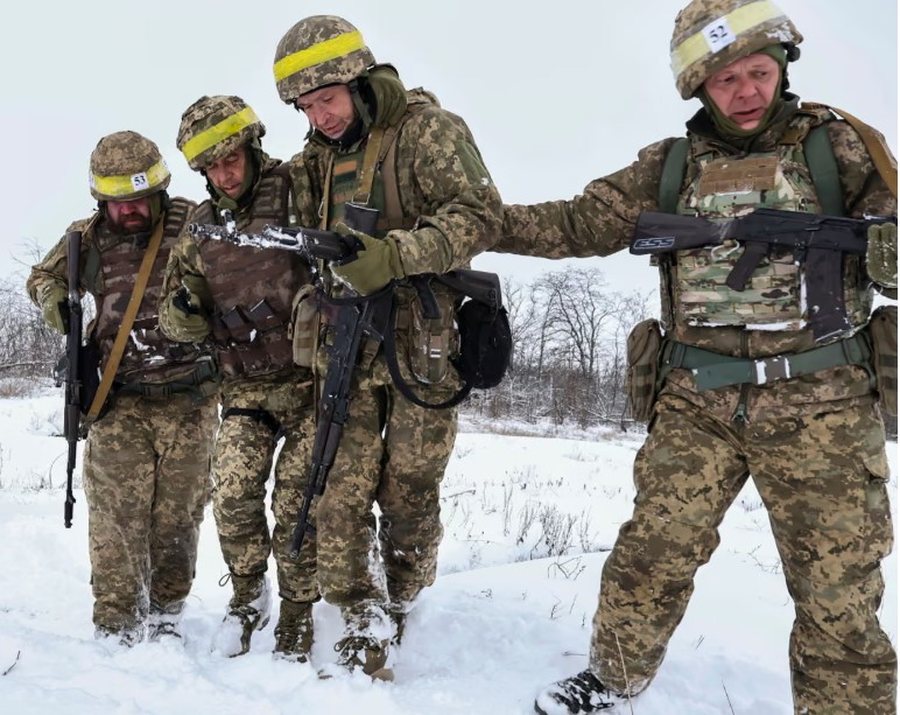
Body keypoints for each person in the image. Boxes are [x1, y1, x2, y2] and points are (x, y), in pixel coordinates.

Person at [494, 1, 898, 712]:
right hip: (697, 400)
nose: (745, 91)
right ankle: (613, 678)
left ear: (782, 67)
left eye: (758, 72)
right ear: (699, 89)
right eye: (726, 80)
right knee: (649, 554)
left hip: (822, 406)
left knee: (839, 591)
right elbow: (573, 222)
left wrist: (885, 243)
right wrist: (475, 223)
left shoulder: (842, 149)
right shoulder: (670, 165)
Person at [274, 15, 502, 677]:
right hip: (341, 337)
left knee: (409, 492)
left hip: (419, 341)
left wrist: (396, 256)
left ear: (360, 79)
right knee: (337, 489)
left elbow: (480, 213)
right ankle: (356, 613)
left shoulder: (428, 131)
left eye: (328, 99)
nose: (320, 116)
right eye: (307, 107)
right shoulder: (317, 155)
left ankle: (405, 594)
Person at [27, 131, 218, 646]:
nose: (131, 211)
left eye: (140, 199)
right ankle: (115, 622)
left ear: (159, 189)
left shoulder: (196, 223)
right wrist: (55, 303)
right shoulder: (84, 237)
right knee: (115, 521)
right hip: (119, 402)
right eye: (119, 202)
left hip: (192, 400)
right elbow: (42, 277)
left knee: (178, 517)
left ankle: (166, 613)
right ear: (101, 200)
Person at [159, 95, 318, 661]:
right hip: (246, 389)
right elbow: (175, 314)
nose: (225, 175)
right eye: (211, 167)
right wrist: (183, 313)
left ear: (252, 148)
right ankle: (250, 598)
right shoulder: (200, 228)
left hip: (310, 386)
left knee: (298, 502)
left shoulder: (299, 186)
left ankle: (299, 608)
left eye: (232, 160)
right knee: (232, 494)